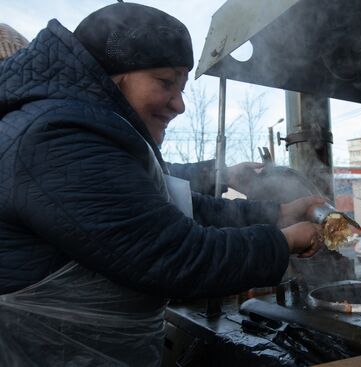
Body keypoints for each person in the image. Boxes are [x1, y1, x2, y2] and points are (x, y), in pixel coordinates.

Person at [0, 3, 324, 366]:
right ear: (114, 75)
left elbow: (182, 207)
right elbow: (175, 254)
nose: (180, 104)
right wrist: (285, 240)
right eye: (166, 82)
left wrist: (279, 213)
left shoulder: (88, 129)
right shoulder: (55, 136)